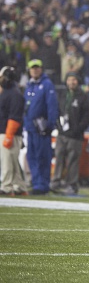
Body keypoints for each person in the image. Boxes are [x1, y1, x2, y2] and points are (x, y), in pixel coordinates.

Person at [50, 72, 89, 195]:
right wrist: (58, 125)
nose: (71, 82)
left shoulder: (83, 97)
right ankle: (56, 182)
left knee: (73, 160)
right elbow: (57, 110)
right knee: (59, 158)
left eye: (74, 80)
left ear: (78, 81)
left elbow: (88, 116)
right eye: (69, 80)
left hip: (75, 135)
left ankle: (72, 184)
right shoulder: (63, 95)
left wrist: (78, 129)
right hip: (62, 133)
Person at [24, 59, 59, 195]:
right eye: (32, 68)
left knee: (42, 156)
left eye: (37, 68)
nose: (35, 70)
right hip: (31, 127)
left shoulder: (46, 85)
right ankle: (36, 182)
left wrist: (50, 125)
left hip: (41, 127)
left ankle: (42, 184)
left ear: (41, 69)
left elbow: (52, 106)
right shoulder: (29, 85)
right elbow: (26, 107)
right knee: (32, 156)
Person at [0, 66, 27, 196]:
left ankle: (6, 186)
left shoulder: (14, 94)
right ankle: (20, 186)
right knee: (13, 161)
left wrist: (9, 135)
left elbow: (14, 117)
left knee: (7, 161)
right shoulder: (8, 92)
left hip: (9, 132)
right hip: (6, 131)